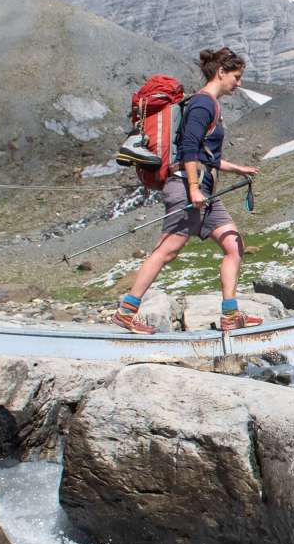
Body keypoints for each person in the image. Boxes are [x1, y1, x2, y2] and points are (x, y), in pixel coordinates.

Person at [109, 47, 261, 334]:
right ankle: (126, 312)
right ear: (221, 72)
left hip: (204, 190)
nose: (238, 83)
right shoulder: (203, 104)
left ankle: (230, 315)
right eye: (236, 77)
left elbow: (205, 155)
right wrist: (193, 188)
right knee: (167, 251)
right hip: (186, 188)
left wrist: (237, 169)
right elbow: (189, 149)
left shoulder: (208, 104)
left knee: (233, 244)